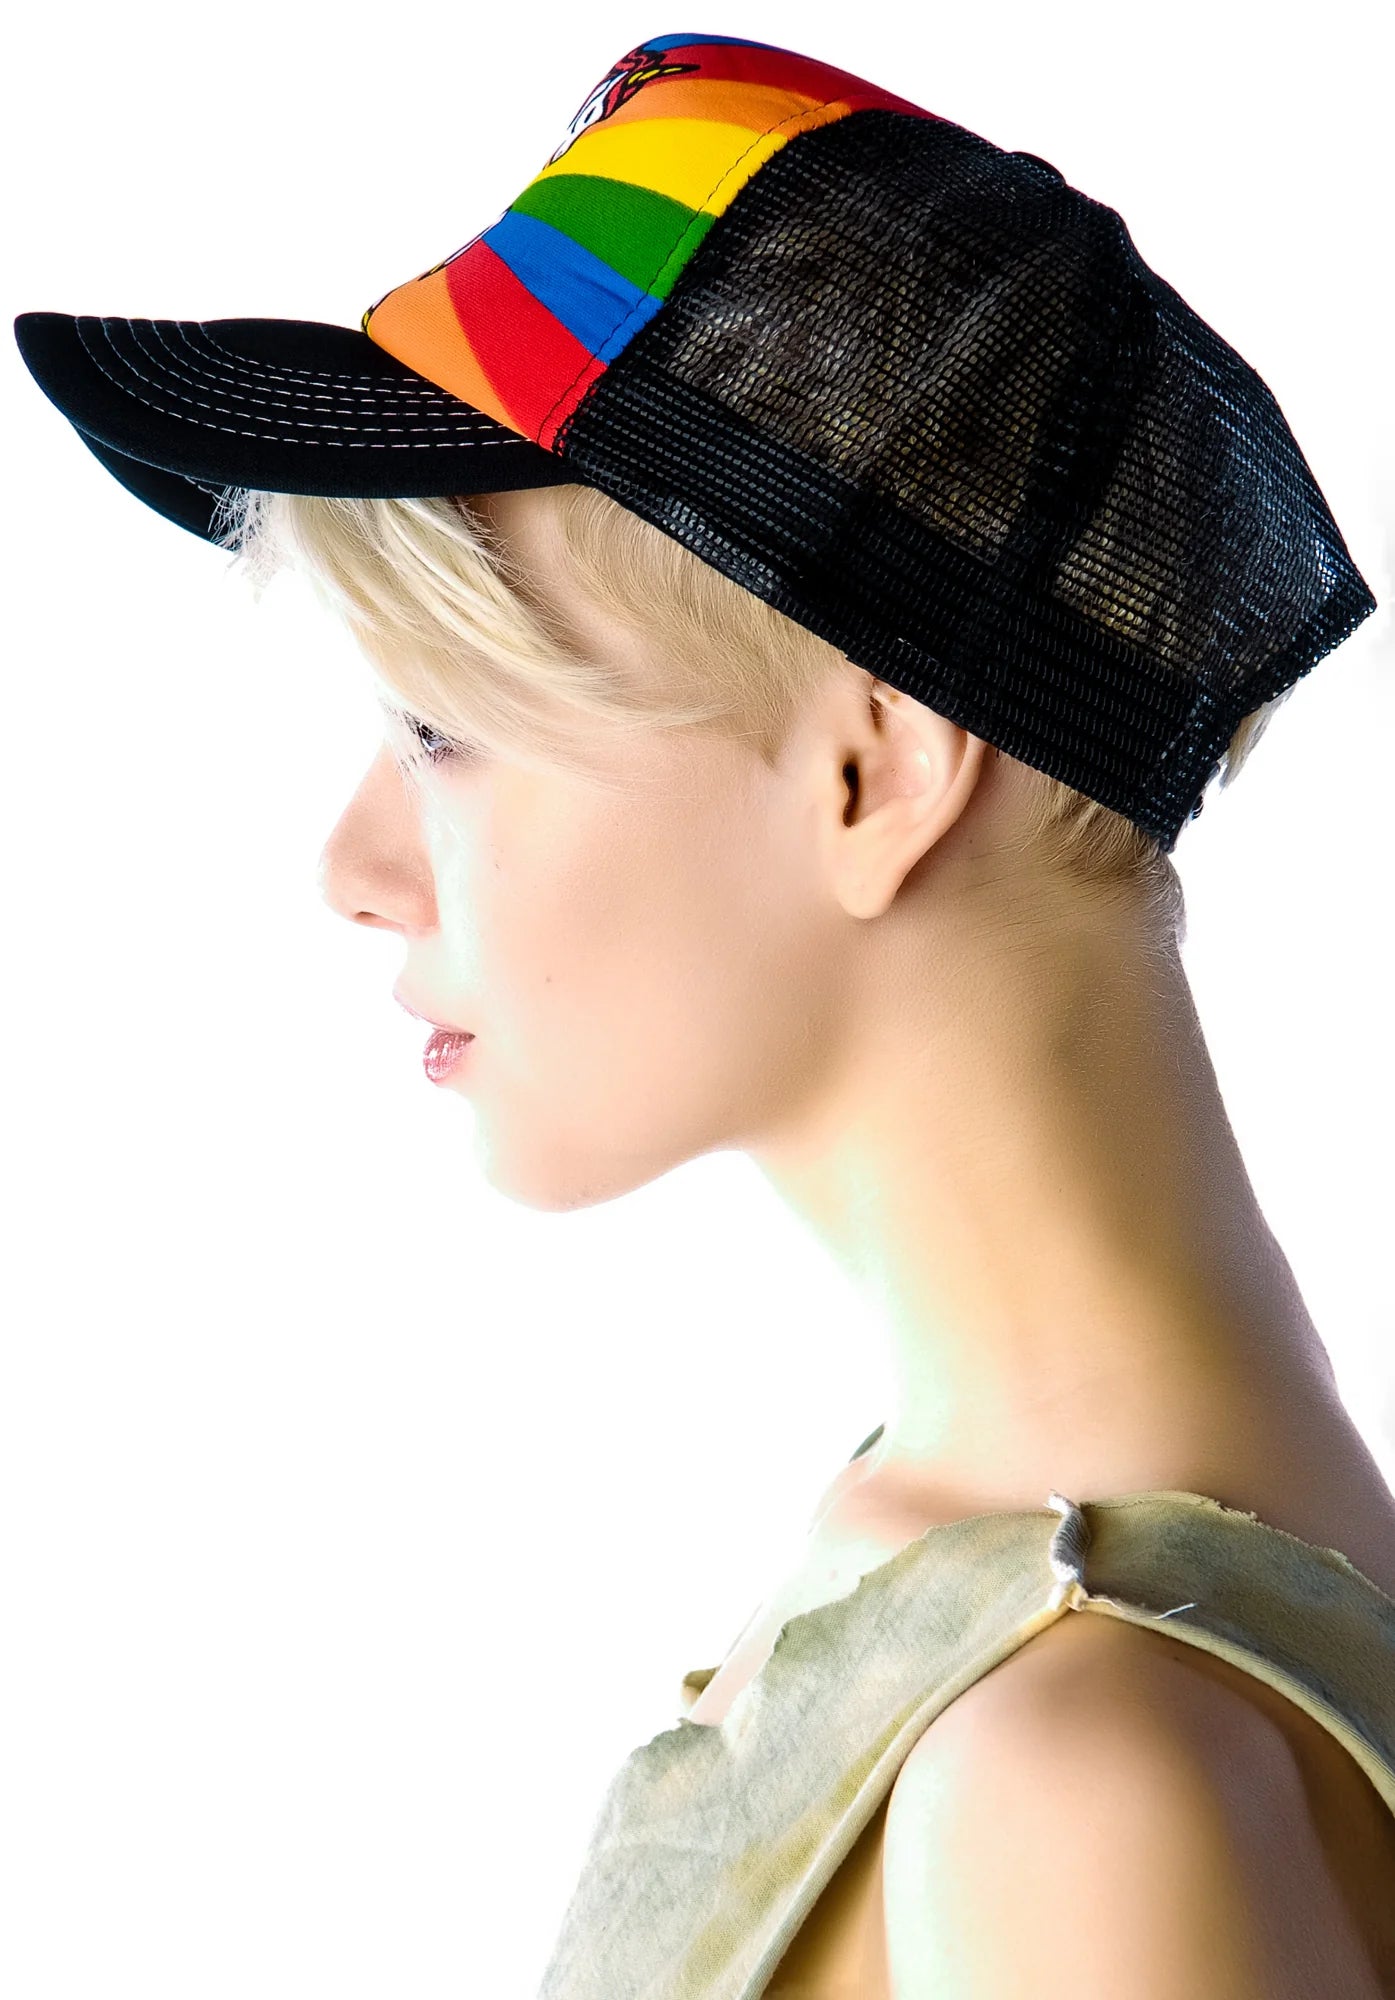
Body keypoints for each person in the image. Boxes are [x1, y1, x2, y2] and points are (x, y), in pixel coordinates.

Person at [14, 27, 1393, 1998]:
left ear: (870, 771)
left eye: (441, 729)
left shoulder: (1072, 1790)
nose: (353, 865)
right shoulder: (1002, 1569)